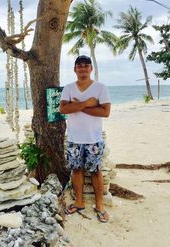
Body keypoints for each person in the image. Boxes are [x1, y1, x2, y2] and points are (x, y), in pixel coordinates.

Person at [59, 55, 111, 223]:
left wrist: (78, 105)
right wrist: (88, 103)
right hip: (74, 138)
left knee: (96, 172)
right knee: (77, 171)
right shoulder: (68, 88)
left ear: (91, 69)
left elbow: (105, 112)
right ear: (75, 69)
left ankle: (99, 206)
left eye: (86, 66)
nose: (82, 69)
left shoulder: (100, 88)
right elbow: (63, 109)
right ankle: (79, 202)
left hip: (93, 138)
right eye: (79, 66)